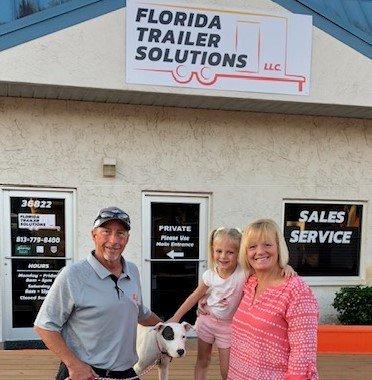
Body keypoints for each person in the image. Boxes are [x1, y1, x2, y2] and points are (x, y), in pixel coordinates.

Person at [34, 206, 162, 380]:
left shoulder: (132, 271)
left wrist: (168, 328)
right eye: (106, 231)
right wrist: (74, 365)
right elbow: (45, 326)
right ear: (94, 235)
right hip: (86, 373)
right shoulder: (73, 274)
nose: (113, 240)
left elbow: (140, 313)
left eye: (120, 233)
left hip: (126, 373)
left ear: (127, 238)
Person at [168, 227, 295, 380]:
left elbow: (267, 268)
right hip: (206, 322)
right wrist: (176, 317)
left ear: (239, 253)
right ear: (212, 251)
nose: (223, 256)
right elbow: (195, 295)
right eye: (219, 251)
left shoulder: (244, 272)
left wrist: (284, 266)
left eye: (230, 252)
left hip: (228, 327)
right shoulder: (210, 275)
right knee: (202, 360)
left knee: (227, 369)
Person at [227, 219, 319, 380]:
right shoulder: (250, 282)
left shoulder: (296, 291)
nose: (260, 251)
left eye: (267, 245)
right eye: (252, 246)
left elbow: (303, 354)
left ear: (279, 247)